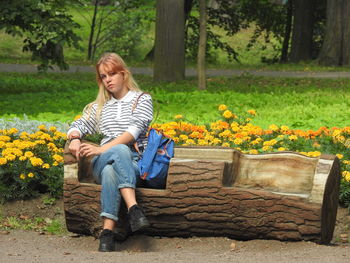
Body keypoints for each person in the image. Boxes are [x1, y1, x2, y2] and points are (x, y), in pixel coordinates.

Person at [67, 52, 153, 252]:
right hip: (102, 159)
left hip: (134, 164)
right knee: (116, 154)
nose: (108, 80)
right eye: (103, 77)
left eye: (112, 74)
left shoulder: (142, 99)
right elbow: (78, 124)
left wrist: (101, 148)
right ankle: (134, 209)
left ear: (123, 73)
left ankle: (106, 233)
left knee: (111, 170)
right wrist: (75, 137)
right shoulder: (100, 106)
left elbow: (134, 131)